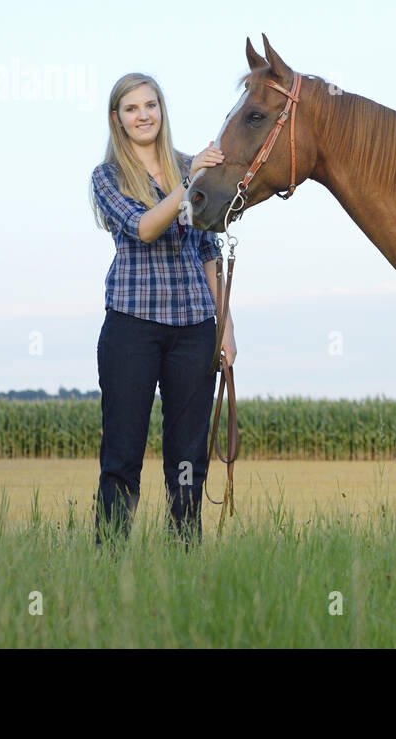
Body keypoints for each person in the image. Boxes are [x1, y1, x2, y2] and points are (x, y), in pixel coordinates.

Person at [88, 72, 235, 547]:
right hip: (132, 327)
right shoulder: (108, 177)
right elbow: (146, 227)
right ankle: (109, 563)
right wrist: (190, 181)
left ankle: (184, 560)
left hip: (194, 328)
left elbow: (208, 249)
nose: (143, 114)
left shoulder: (191, 165)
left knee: (189, 457)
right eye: (132, 108)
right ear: (118, 119)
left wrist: (225, 327)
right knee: (122, 454)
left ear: (161, 109)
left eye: (150, 105)